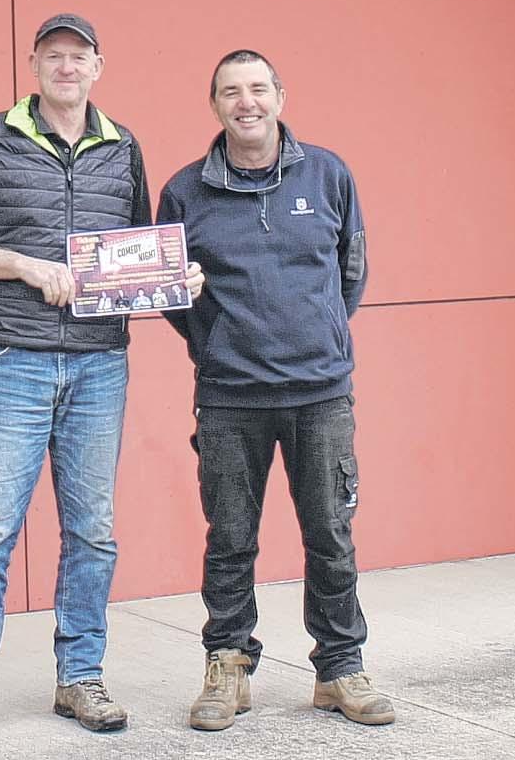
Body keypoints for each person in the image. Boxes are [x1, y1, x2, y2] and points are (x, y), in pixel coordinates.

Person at [0, 13, 199, 749]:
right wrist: (21, 265)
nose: (67, 67)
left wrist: (177, 278)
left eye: (79, 56)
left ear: (98, 66)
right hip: (11, 359)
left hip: (100, 363)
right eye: (54, 56)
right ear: (35, 65)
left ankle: (81, 676)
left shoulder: (123, 146)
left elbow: (133, 255)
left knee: (92, 531)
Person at [157, 49, 394, 731]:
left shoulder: (328, 173)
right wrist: (217, 342)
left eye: (258, 88)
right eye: (231, 91)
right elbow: (173, 293)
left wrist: (318, 333)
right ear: (214, 105)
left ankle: (339, 667)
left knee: (330, 535)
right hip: (230, 396)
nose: (246, 102)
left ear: (280, 97)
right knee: (230, 538)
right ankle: (228, 665)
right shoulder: (183, 191)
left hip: (320, 392)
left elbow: (351, 270)